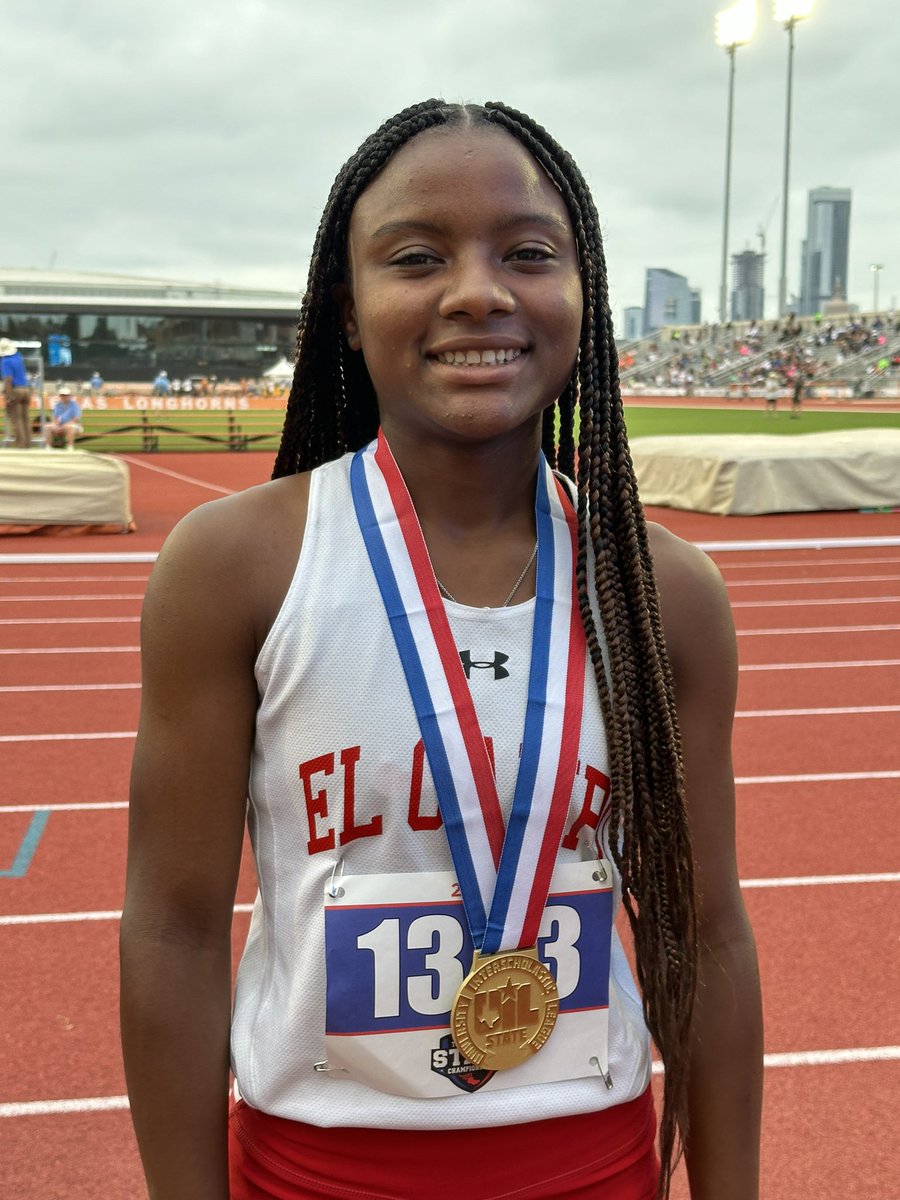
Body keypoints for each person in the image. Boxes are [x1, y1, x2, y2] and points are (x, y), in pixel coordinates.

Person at [121, 100, 762, 1200]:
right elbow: (173, 929)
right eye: (417, 256)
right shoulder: (235, 568)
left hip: (596, 1166)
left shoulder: (665, 592)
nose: (479, 291)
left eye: (529, 254)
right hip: (315, 1171)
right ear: (348, 306)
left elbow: (705, 935)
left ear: (585, 293)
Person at [1, 336, 34, 448]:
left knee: (16, 418)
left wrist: (9, 396)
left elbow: (8, 379)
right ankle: (28, 442)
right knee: (25, 418)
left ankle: (21, 443)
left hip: (16, 390)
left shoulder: (5, 361)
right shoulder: (18, 357)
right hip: (25, 389)